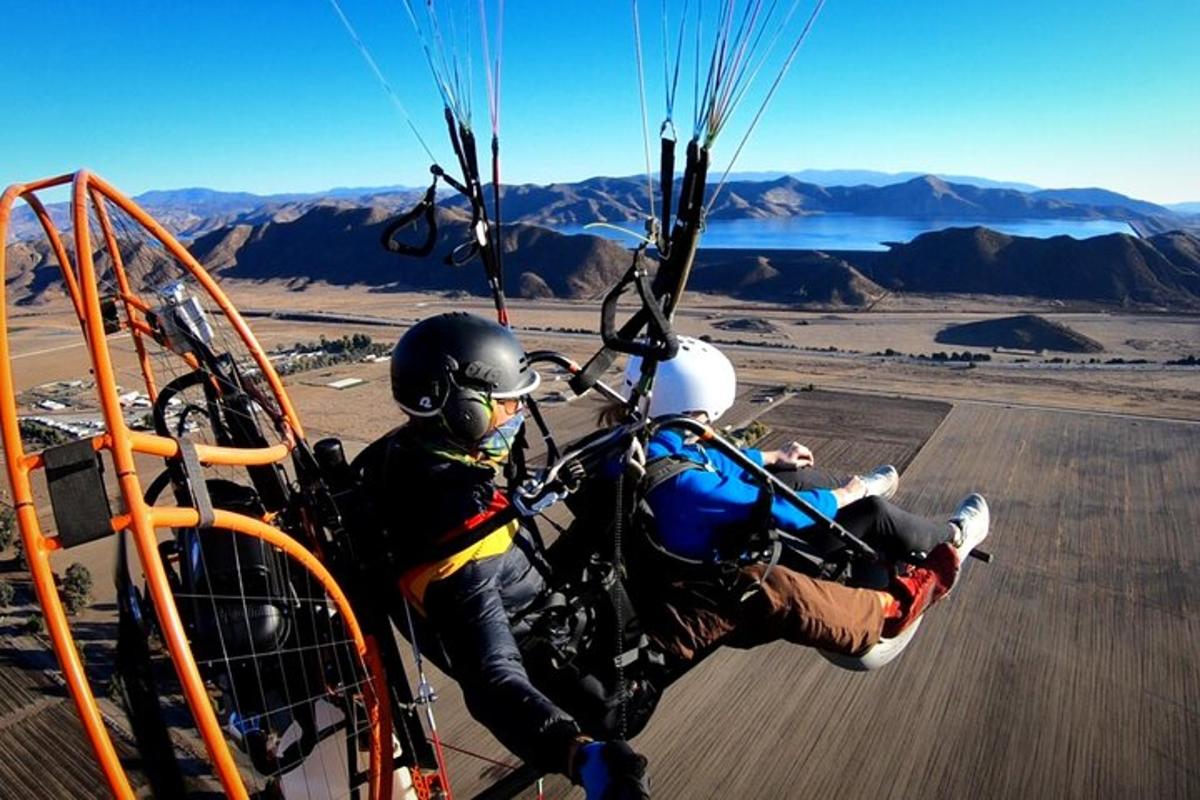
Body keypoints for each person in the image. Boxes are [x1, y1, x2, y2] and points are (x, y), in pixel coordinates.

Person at [354, 312, 650, 799]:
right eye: (509, 402)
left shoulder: (407, 459)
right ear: (467, 410)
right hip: (571, 667)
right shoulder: (460, 538)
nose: (519, 411)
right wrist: (577, 753)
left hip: (537, 598)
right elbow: (492, 677)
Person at [621, 336, 990, 669]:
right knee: (867, 515)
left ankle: (865, 491)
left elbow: (704, 458)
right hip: (718, 587)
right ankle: (951, 540)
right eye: (706, 419)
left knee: (787, 475)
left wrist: (770, 456)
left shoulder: (634, 448)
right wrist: (848, 493)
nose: (710, 427)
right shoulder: (687, 488)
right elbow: (780, 508)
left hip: (682, 558)